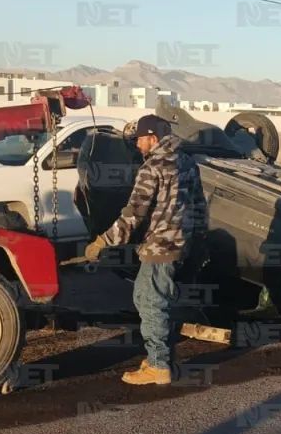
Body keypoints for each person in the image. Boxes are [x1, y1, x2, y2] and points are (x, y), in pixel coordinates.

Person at [85, 114, 208, 384]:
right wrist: (197, 240)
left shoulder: (152, 167)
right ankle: (160, 357)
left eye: (139, 139)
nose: (137, 145)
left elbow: (133, 214)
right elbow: (200, 205)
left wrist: (103, 241)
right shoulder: (187, 161)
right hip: (180, 243)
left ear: (152, 138)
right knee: (147, 297)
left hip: (160, 246)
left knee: (151, 302)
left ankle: (159, 366)